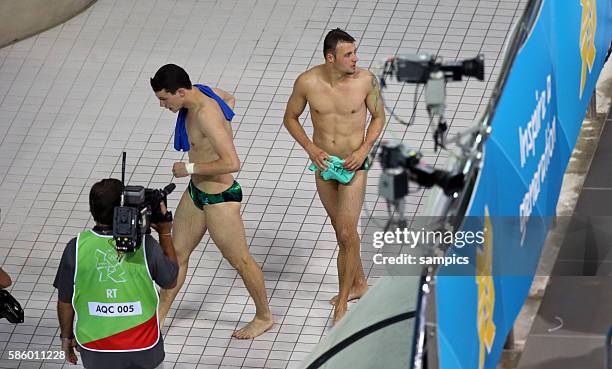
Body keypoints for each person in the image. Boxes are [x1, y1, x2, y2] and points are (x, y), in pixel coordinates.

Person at [150, 64, 273, 339]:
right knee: (176, 256)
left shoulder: (206, 115)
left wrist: (189, 168)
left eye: (164, 99)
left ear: (180, 92)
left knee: (240, 261)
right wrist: (225, 123)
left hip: (220, 197)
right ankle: (158, 318)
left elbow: (232, 162)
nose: (162, 105)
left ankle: (264, 316)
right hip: (196, 194)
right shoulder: (204, 92)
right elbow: (229, 98)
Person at [283, 28, 385, 324]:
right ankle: (359, 284)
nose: (356, 59)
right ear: (331, 58)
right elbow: (290, 117)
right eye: (348, 54)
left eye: (355, 52)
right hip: (324, 164)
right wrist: (311, 149)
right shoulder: (307, 82)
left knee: (345, 232)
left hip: (354, 165)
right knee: (343, 231)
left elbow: (378, 116)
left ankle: (341, 302)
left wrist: (365, 148)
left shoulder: (366, 81)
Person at [54, 178, 178, 368]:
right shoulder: (144, 244)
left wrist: (66, 337)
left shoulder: (75, 247)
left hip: (95, 349)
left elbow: (65, 300)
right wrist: (165, 233)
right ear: (125, 209)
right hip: (144, 347)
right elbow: (170, 280)